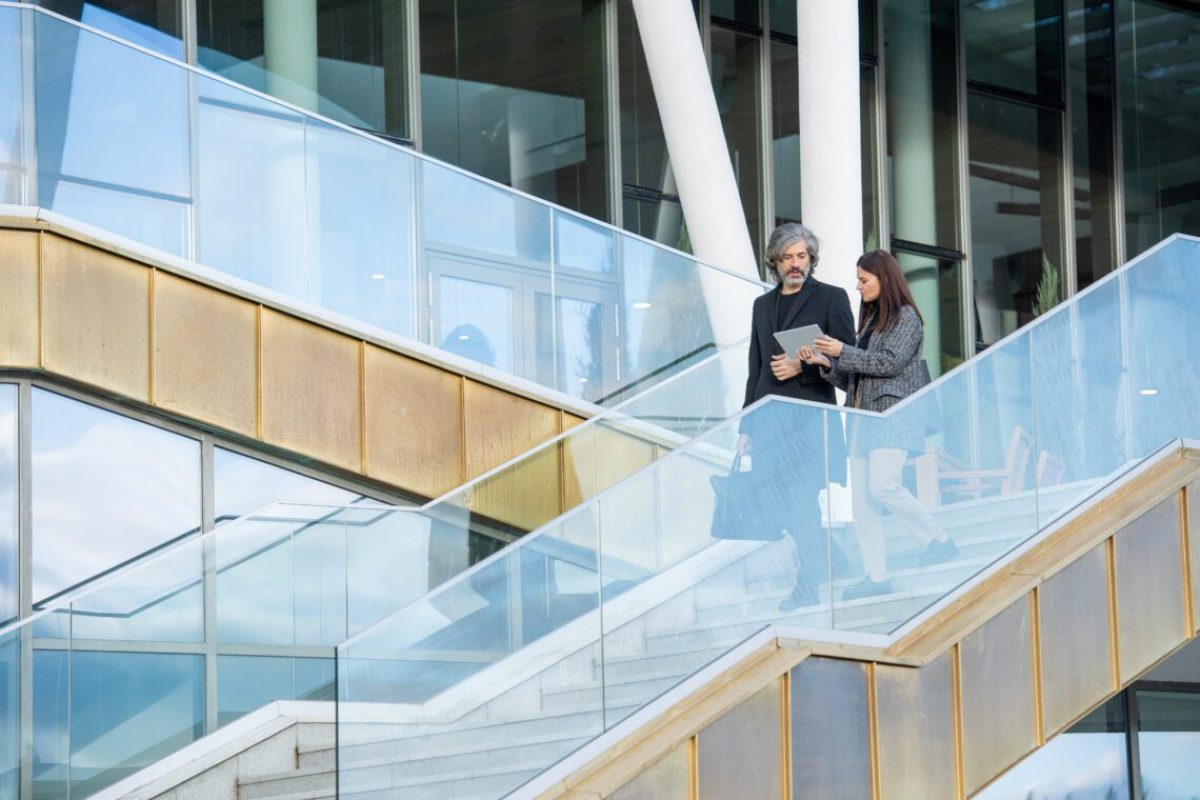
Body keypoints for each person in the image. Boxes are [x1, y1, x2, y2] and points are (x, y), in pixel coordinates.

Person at [800, 249, 957, 601]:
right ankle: (876, 575)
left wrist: (841, 351)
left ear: (884, 279)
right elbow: (856, 378)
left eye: (863, 280)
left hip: (893, 417)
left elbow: (889, 363)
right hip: (861, 421)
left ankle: (939, 539)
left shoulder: (907, 318)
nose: (858, 287)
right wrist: (825, 362)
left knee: (883, 485)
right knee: (862, 503)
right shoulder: (870, 322)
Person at [739, 223, 855, 612]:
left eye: (802, 256)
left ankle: (808, 585)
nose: (795, 264)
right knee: (777, 504)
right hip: (768, 424)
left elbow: (848, 361)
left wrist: (801, 367)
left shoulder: (832, 298)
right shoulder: (762, 306)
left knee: (801, 500)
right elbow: (755, 368)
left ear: (811, 259)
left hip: (808, 422)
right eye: (787, 257)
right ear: (774, 261)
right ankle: (836, 558)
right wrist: (746, 427)